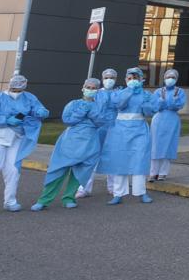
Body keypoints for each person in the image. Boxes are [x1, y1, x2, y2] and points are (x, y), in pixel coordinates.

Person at [0, 74, 49, 217]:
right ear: (9, 85)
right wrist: (6, 120)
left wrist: (41, 112)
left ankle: (10, 201)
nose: (16, 91)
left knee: (13, 170)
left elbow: (38, 109)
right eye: (14, 88)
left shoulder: (29, 98)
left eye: (19, 89)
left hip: (16, 138)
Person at [32, 79, 110, 211]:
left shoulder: (100, 106)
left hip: (90, 141)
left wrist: (92, 113)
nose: (90, 90)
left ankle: (69, 198)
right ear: (83, 88)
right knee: (58, 170)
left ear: (98, 90)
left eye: (94, 88)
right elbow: (67, 120)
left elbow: (102, 122)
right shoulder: (73, 104)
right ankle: (44, 200)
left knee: (79, 172)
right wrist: (81, 112)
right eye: (88, 87)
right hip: (70, 140)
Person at [100, 67, 157, 205]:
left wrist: (145, 103)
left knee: (140, 160)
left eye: (135, 78)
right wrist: (129, 92)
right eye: (129, 79)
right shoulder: (119, 93)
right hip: (120, 130)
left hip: (139, 130)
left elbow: (151, 111)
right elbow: (118, 105)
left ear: (141, 79)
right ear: (125, 80)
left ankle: (141, 192)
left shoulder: (146, 94)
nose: (132, 81)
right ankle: (118, 193)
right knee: (120, 161)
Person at [76, 67, 118, 199]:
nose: (109, 80)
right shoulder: (96, 92)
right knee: (90, 158)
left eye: (111, 78)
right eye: (106, 78)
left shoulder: (119, 93)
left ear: (116, 79)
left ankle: (113, 187)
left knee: (112, 158)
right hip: (97, 128)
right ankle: (84, 188)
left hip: (114, 129)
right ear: (102, 79)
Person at [149, 68, 185, 182]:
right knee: (155, 146)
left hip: (172, 120)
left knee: (168, 146)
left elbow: (179, 105)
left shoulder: (180, 91)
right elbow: (154, 107)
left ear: (176, 79)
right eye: (168, 77)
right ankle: (153, 172)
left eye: (173, 77)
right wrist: (161, 101)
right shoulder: (158, 91)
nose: (170, 79)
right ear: (164, 78)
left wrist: (174, 101)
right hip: (159, 120)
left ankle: (163, 173)